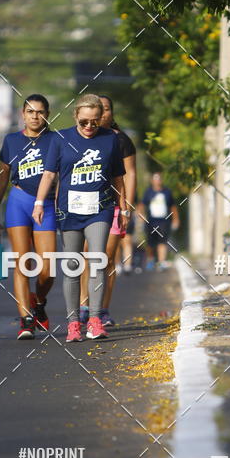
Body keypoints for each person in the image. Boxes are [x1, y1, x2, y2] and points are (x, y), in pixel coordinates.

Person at [32, 94, 127, 342]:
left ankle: (95, 320)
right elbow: (49, 174)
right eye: (84, 122)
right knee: (72, 267)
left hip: (100, 208)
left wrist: (123, 209)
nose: (89, 127)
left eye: (94, 122)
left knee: (97, 260)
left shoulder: (110, 140)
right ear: (76, 116)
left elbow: (118, 178)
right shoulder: (61, 139)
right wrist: (39, 202)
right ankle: (74, 322)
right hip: (69, 209)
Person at [0, 94, 57, 340]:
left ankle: (38, 302)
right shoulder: (11, 141)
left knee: (47, 269)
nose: (35, 116)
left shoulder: (55, 140)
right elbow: (2, 178)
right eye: (30, 112)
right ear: (23, 114)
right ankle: (26, 319)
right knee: (23, 263)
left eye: (40, 112)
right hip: (18, 202)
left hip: (46, 204)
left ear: (47, 115)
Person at [78, 94, 136, 327]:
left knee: (106, 258)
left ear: (111, 114)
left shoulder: (120, 140)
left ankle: (102, 309)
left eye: (105, 109)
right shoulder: (81, 139)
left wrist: (126, 208)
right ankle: (84, 304)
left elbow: (130, 174)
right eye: (97, 109)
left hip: (113, 206)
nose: (101, 114)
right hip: (85, 205)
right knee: (86, 256)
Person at [139, 172, 180, 269]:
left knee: (162, 241)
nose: (158, 181)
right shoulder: (148, 192)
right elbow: (141, 205)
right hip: (151, 221)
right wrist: (141, 217)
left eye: (159, 179)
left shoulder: (167, 192)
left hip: (164, 221)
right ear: (152, 181)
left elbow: (173, 207)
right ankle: (150, 260)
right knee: (150, 243)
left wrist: (176, 220)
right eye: (155, 179)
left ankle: (161, 262)